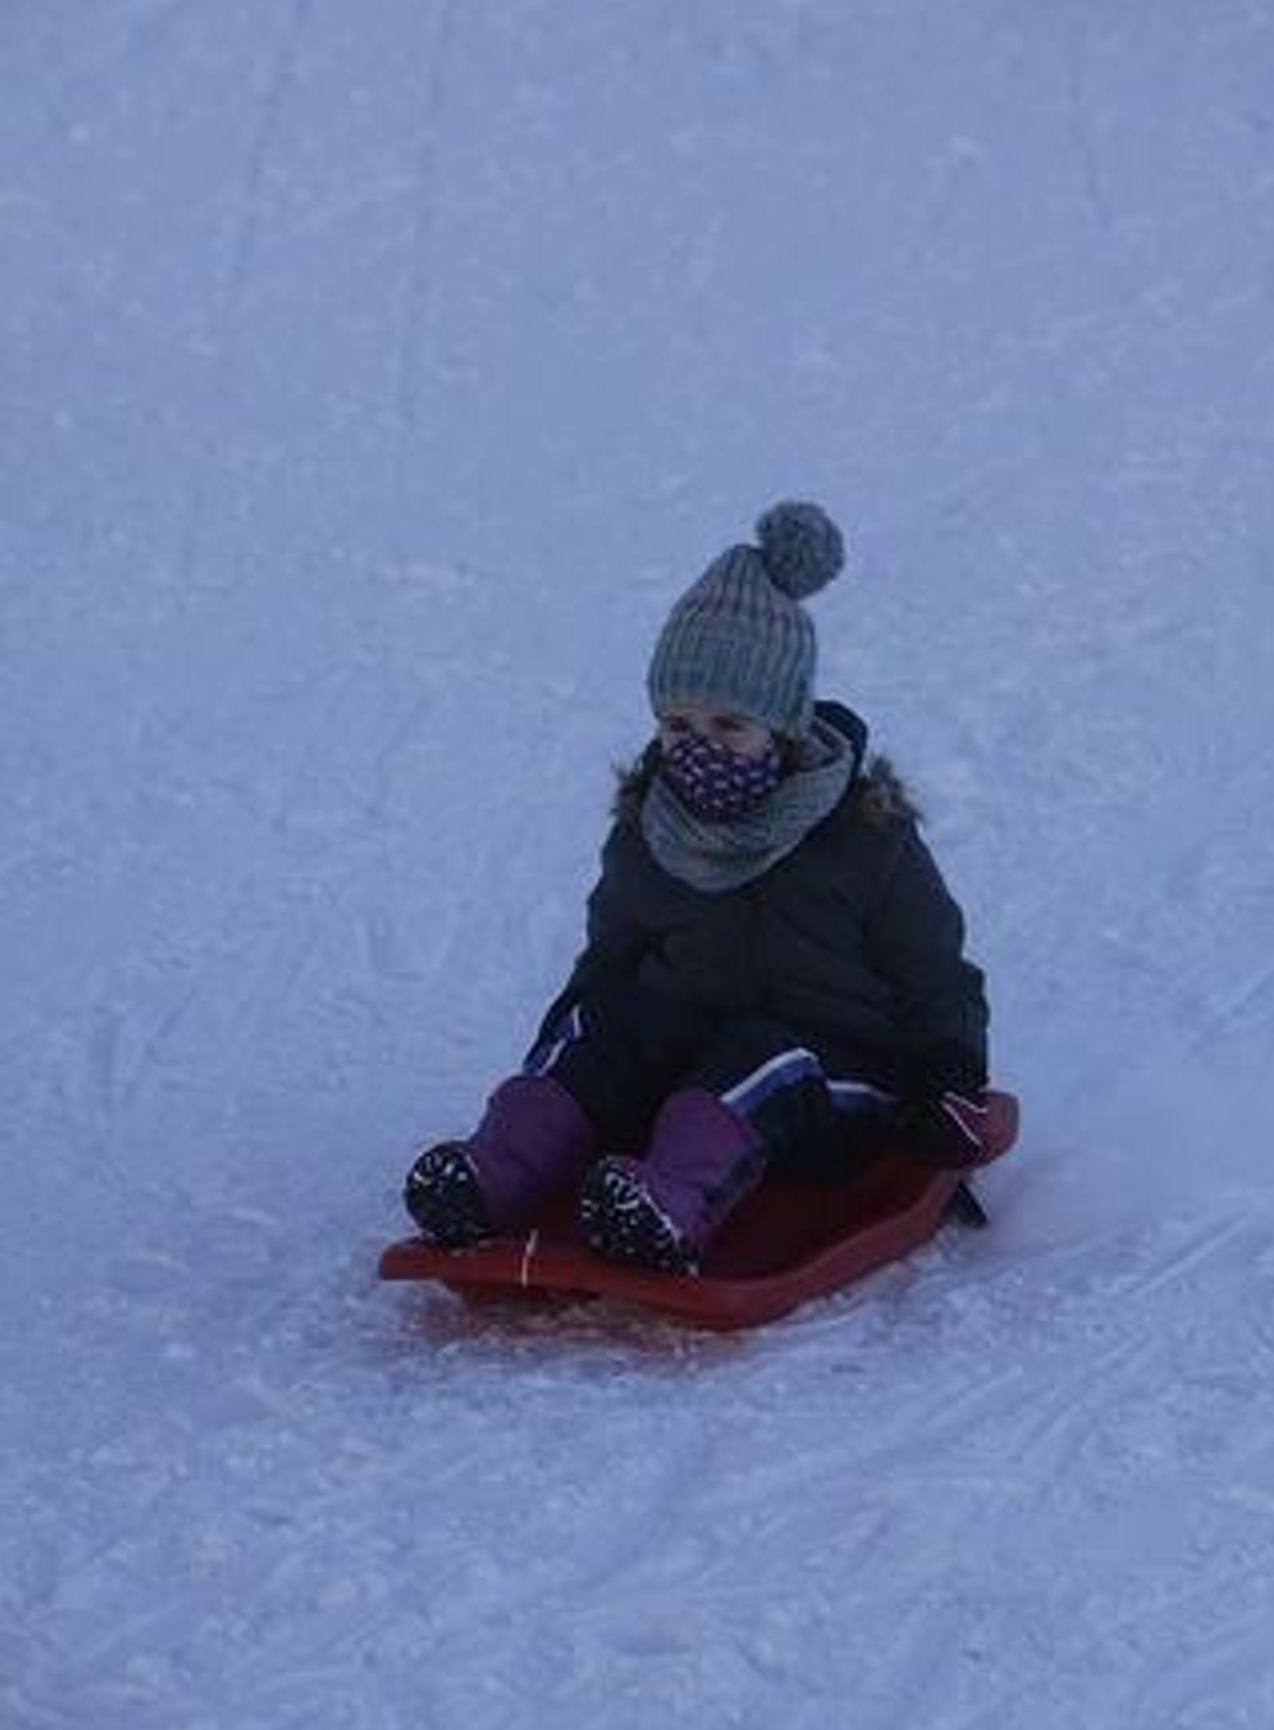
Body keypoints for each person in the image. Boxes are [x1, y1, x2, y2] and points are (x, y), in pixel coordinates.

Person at [402, 500, 993, 1273]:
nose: (699, 749)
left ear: (781, 728)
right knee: (610, 1028)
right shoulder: (652, 831)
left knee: (759, 1054)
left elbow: (934, 971)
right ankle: (493, 1173)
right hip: (690, 1068)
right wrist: (572, 1063)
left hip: (835, 1080)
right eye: (679, 727)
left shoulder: (862, 835)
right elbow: (608, 964)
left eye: (728, 727)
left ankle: (667, 1211)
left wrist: (949, 1075)